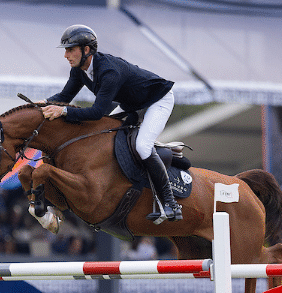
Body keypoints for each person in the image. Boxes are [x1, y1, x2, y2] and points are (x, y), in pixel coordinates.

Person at [41, 24, 181, 222]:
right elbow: (65, 95)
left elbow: (98, 112)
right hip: (132, 103)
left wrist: (62, 110)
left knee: (142, 146)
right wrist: (45, 103)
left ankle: (170, 203)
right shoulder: (79, 69)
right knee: (104, 134)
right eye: (66, 50)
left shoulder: (109, 71)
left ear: (86, 50)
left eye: (70, 49)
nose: (66, 55)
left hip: (158, 99)